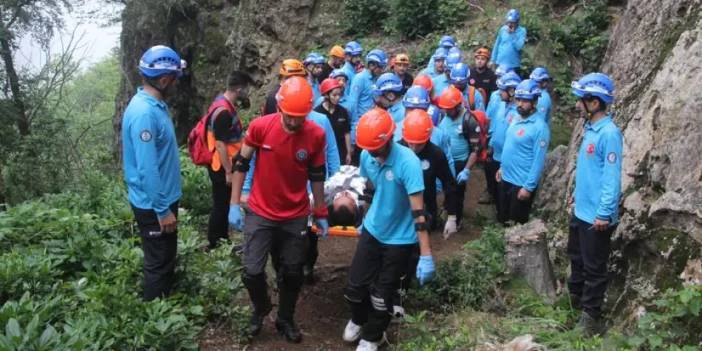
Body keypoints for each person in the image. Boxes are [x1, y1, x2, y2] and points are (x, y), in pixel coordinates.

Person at [227, 76, 329, 343]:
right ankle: (261, 308)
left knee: (293, 271)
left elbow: (317, 174)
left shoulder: (316, 134)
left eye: (300, 117)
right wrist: (234, 203)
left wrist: (320, 211)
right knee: (252, 270)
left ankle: (285, 317)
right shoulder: (261, 127)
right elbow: (241, 163)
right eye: (290, 116)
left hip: (295, 213)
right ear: (280, 108)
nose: (294, 122)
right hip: (261, 211)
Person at [343, 108, 434, 351]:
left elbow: (419, 213)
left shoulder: (408, 164)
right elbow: (369, 187)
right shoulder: (367, 155)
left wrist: (425, 254)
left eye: (377, 149)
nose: (373, 154)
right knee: (354, 288)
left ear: (389, 140)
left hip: (399, 239)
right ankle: (359, 319)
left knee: (382, 296)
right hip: (373, 229)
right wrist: (363, 216)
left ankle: (373, 336)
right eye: (368, 150)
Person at [121, 45, 185, 301]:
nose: (177, 83)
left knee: (166, 257)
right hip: (154, 205)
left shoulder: (156, 105)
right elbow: (147, 168)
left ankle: (165, 307)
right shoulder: (144, 113)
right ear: (164, 79)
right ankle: (155, 320)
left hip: (164, 199)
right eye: (175, 78)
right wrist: (162, 210)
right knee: (158, 264)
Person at [568, 73, 622, 337]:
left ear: (596, 102)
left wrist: (604, 212)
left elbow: (611, 177)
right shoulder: (589, 129)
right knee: (577, 260)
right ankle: (574, 303)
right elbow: (589, 172)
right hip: (581, 210)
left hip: (596, 217)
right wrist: (575, 196)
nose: (578, 105)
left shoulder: (609, 134)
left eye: (582, 100)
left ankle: (591, 318)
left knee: (594, 268)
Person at [204, 70, 253, 250]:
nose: (247, 93)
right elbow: (220, 144)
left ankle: (220, 239)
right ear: (239, 89)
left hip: (223, 163)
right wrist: (228, 172)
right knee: (221, 204)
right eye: (246, 89)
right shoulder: (223, 111)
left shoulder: (221, 102)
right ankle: (216, 242)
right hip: (221, 165)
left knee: (222, 202)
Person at [496, 79, 550, 224]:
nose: (519, 104)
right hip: (506, 178)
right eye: (518, 99)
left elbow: (539, 160)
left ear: (534, 102)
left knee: (516, 224)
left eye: (524, 101)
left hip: (520, 184)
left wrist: (528, 187)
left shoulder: (540, 128)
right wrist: (501, 167)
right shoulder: (516, 118)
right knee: (502, 218)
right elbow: (509, 144)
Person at [400, 109, 458, 236]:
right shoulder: (396, 151)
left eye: (419, 144)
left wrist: (452, 216)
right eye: (411, 144)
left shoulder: (436, 154)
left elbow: (449, 184)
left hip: (426, 206)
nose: (414, 148)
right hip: (399, 207)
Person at [437, 86, 478, 228]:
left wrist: (466, 169)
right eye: (445, 108)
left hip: (460, 162)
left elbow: (475, 150)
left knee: (458, 192)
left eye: (449, 108)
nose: (446, 111)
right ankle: (447, 209)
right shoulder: (444, 115)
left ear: (458, 105)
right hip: (446, 160)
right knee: (447, 188)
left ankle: (457, 220)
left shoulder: (469, 119)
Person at [487, 71, 521, 209]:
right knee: (495, 188)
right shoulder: (501, 104)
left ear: (512, 91)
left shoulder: (518, 113)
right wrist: (490, 144)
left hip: (506, 160)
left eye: (503, 90)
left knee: (503, 192)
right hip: (495, 153)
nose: (499, 93)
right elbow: (495, 126)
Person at [349, 49, 388, 163]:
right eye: (380, 67)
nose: (382, 70)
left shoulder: (376, 79)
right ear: (371, 65)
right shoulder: (360, 79)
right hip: (361, 124)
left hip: (373, 123)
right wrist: (354, 131)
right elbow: (353, 104)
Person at [316, 77, 353, 165]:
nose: (337, 98)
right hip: (324, 152)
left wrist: (348, 152)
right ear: (326, 95)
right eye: (334, 95)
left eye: (339, 95)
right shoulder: (318, 113)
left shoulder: (343, 111)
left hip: (341, 151)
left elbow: (346, 133)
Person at [371, 72, 405, 139]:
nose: (379, 99)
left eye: (380, 96)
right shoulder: (392, 108)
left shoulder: (401, 113)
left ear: (391, 96)